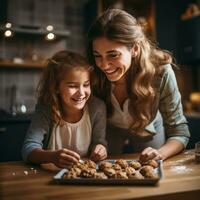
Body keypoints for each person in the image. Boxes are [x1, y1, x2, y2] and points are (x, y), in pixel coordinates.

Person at [87, 9, 190, 162]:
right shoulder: (92, 72)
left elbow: (180, 132)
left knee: (150, 168)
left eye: (113, 55)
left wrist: (160, 153)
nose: (104, 65)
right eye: (97, 56)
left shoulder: (161, 72)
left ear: (134, 49)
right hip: (109, 129)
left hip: (148, 128)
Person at [21, 50, 107, 168]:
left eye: (86, 85)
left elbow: (99, 143)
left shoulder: (97, 108)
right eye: (73, 86)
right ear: (56, 87)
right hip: (48, 176)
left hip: (83, 176)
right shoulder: (46, 107)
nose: (81, 93)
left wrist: (100, 149)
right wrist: (52, 157)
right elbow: (28, 149)